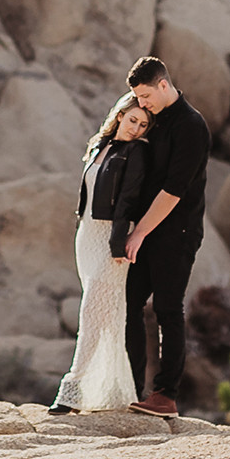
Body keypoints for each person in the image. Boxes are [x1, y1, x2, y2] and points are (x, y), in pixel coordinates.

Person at [118, 55, 209, 417]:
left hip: (178, 232)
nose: (142, 104)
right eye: (137, 99)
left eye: (145, 96)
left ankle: (166, 395)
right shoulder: (153, 121)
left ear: (163, 85)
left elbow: (173, 191)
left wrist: (138, 233)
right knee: (129, 305)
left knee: (169, 310)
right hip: (146, 231)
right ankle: (130, 386)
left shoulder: (192, 125)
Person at [47, 96, 150, 413]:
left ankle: (72, 390)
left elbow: (128, 200)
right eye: (132, 120)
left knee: (93, 314)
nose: (136, 128)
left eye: (143, 124)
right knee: (105, 318)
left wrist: (118, 244)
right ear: (120, 116)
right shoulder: (100, 145)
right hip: (87, 236)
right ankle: (115, 392)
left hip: (110, 238)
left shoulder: (137, 152)